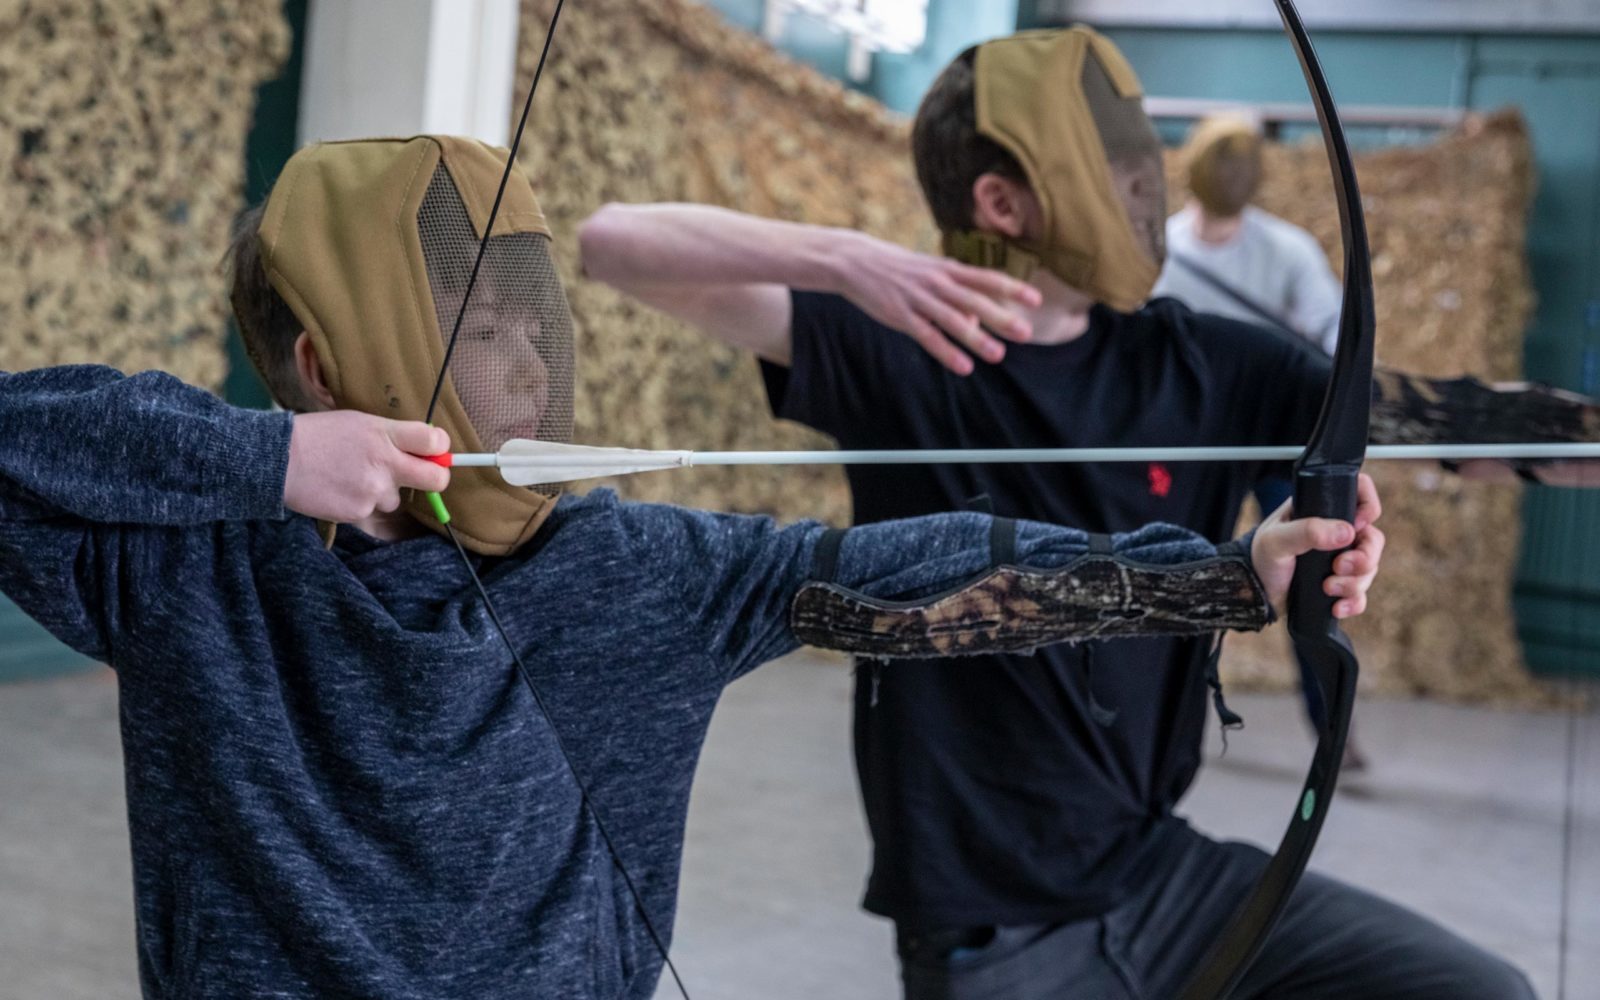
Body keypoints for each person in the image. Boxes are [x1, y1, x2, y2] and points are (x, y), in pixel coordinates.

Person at [0, 134, 1381, 999]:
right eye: (485, 326)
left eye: (538, 318)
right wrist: (267, 463)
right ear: (322, 361)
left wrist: (1215, 574)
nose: (536, 359)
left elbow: (917, 574)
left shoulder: (636, 569)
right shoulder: (188, 569)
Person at [579, 26, 1572, 999]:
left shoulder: (1199, 359)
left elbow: (1438, 419)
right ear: (1001, 201)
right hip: (993, 933)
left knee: (1481, 985)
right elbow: (613, 244)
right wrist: (847, 262)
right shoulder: (906, 345)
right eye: (1113, 170)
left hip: (1159, 876)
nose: (1145, 190)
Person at [1153, 113, 1367, 764]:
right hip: (1194, 443)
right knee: (1173, 570)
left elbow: (1333, 342)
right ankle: (1169, 713)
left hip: (1277, 442)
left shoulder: (1285, 251)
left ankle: (1332, 721)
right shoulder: (1161, 251)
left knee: (1312, 573)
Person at [1154, 113, 1344, 355]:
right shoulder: (1159, 251)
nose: (1230, 174)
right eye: (1224, 163)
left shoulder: (1290, 251)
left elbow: (1333, 331)